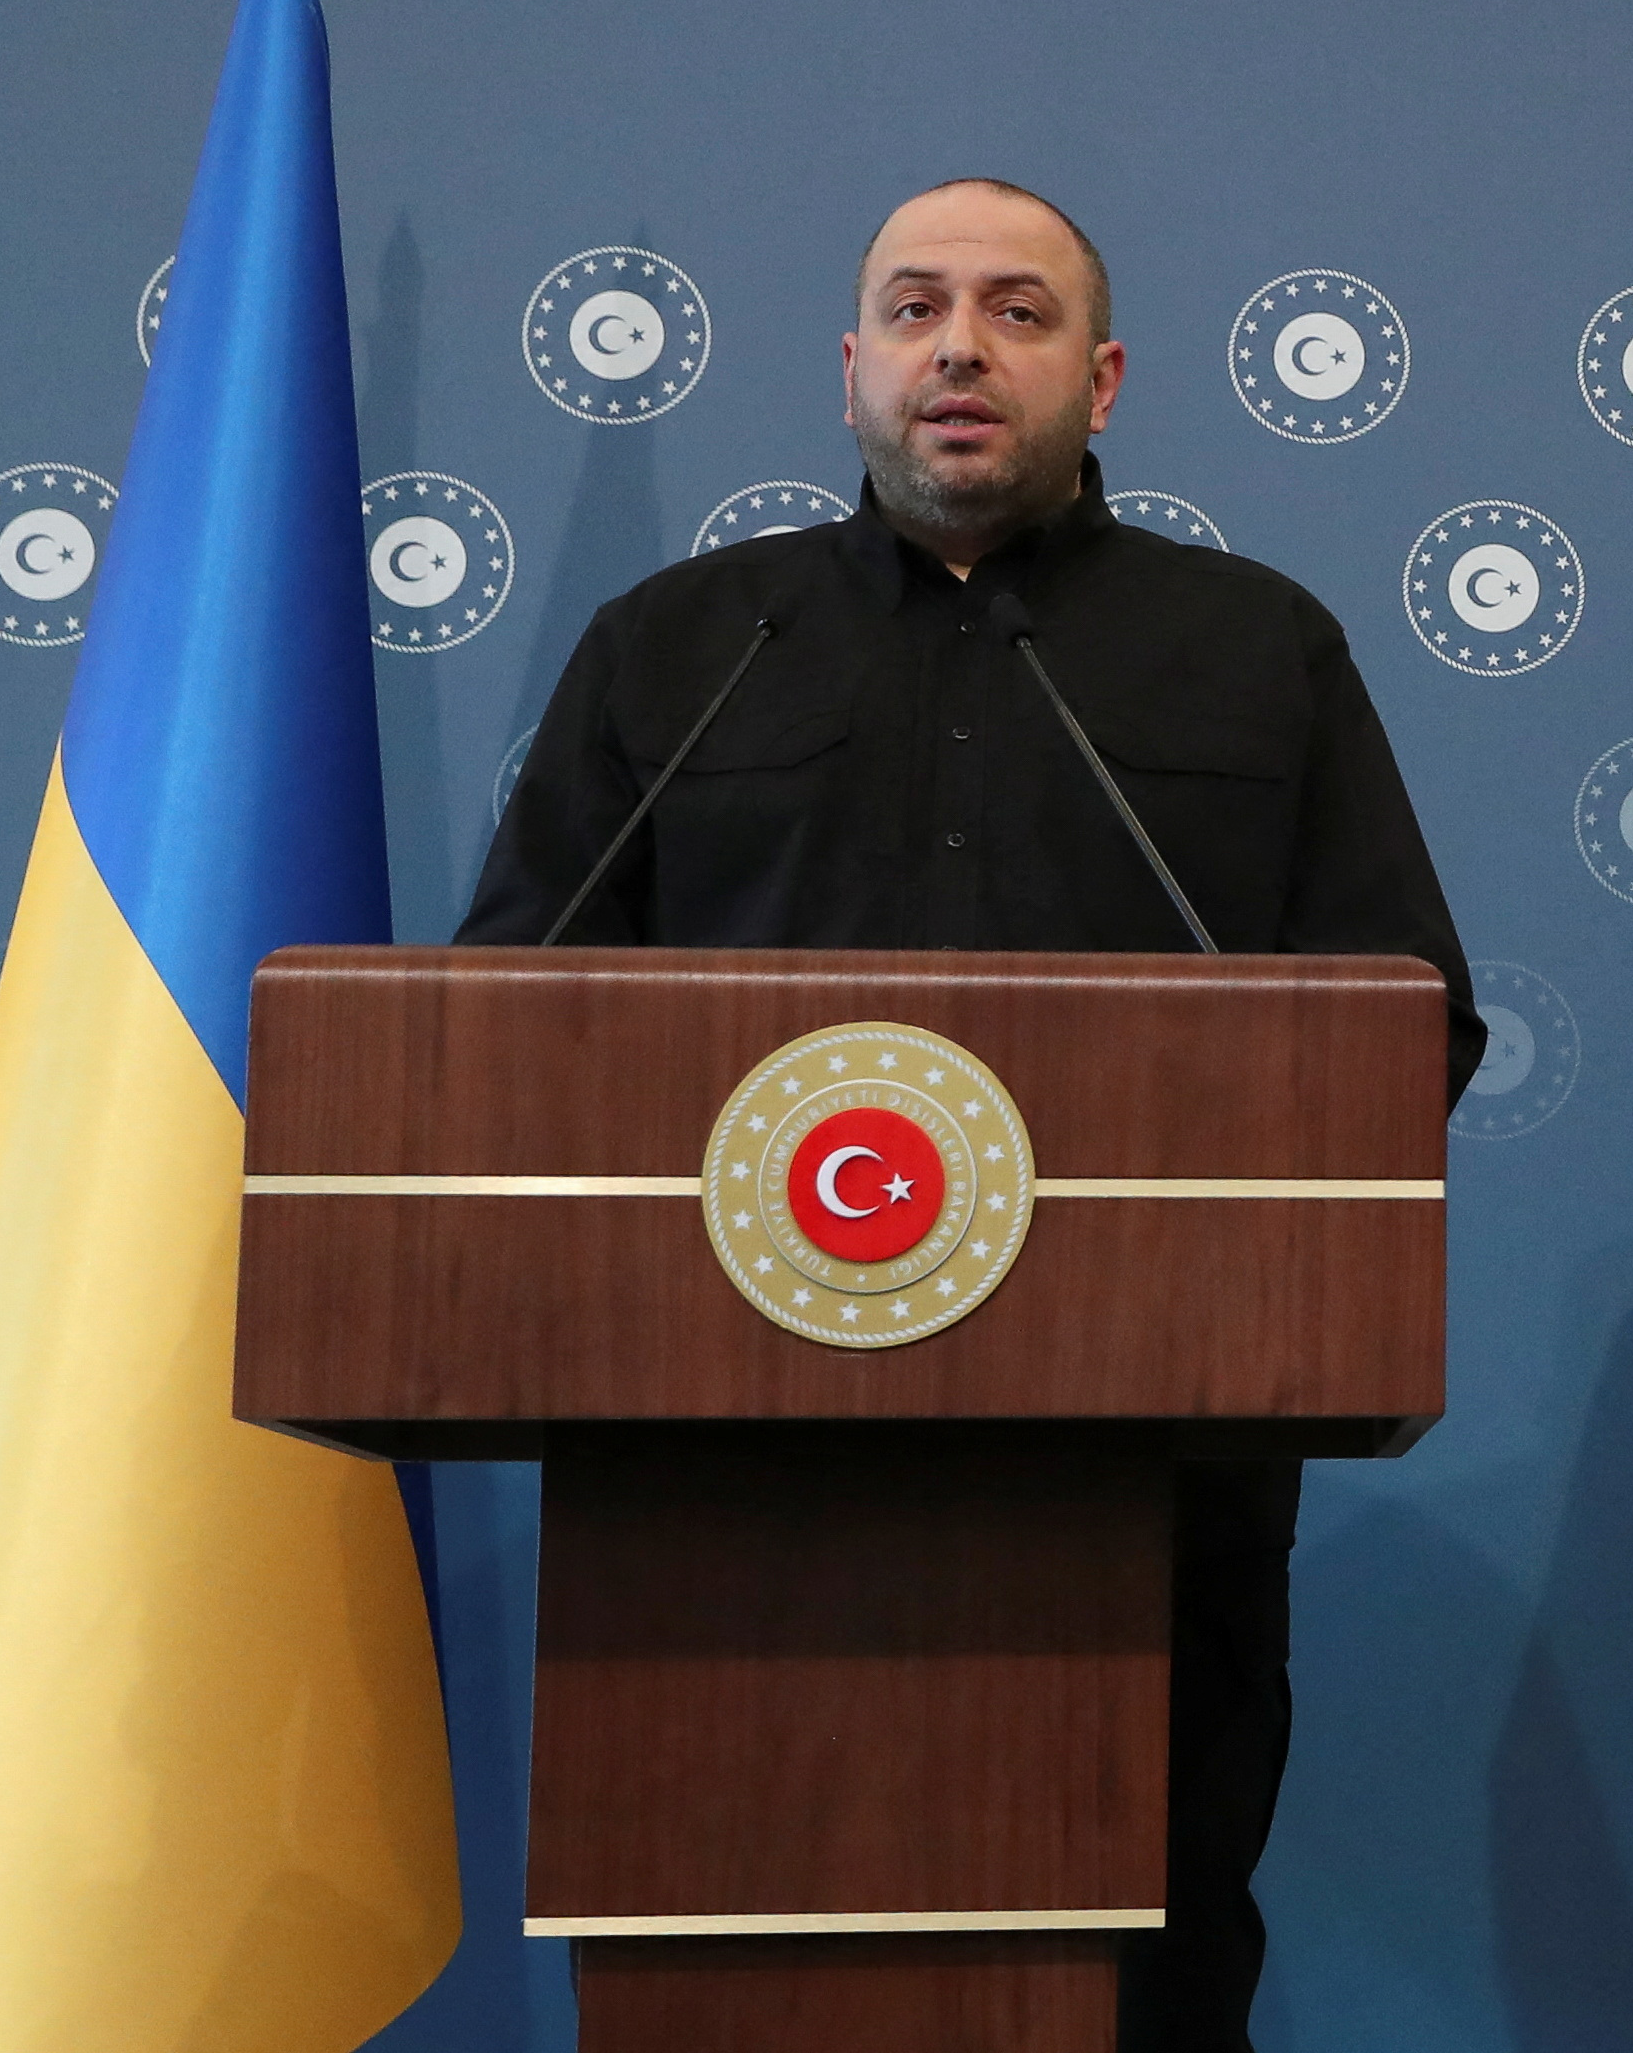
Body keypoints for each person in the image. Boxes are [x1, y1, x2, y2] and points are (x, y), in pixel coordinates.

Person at [462, 177, 1475, 2053]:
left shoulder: (1259, 652)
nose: (958, 347)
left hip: (1146, 1491)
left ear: (1101, 380)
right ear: (849, 367)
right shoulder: (680, 651)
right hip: (718, 1490)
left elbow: (1404, 1025)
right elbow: (512, 1028)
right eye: (915, 308)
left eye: (1015, 313)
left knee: (1148, 1984)